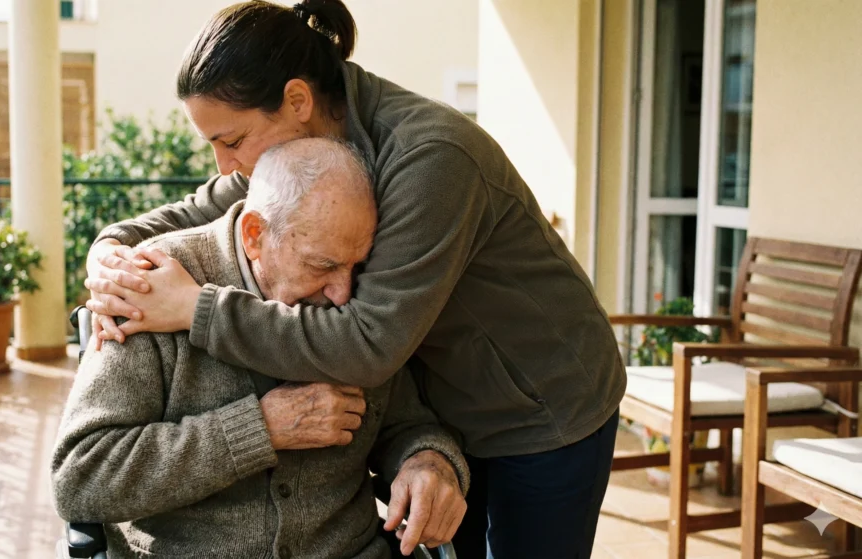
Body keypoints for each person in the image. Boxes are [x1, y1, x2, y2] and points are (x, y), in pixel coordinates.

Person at [83, 1, 626, 556]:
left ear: (297, 100)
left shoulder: (431, 158)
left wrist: (197, 309)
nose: (227, 165)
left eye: (232, 140)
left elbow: (367, 344)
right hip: (451, 397)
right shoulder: (296, 149)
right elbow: (199, 208)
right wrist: (109, 252)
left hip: (541, 405)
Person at [52, 138, 468, 559]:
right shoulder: (146, 285)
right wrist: (260, 428)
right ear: (255, 236)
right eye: (321, 265)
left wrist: (429, 462)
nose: (343, 294)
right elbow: (81, 477)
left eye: (355, 265)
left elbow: (406, 423)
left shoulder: (359, 297)